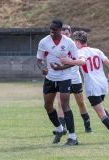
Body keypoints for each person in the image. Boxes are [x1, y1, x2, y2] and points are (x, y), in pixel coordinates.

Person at [59, 30, 109, 143]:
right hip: (103, 83)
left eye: (75, 41)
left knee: (100, 112)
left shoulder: (80, 52)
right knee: (101, 109)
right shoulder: (96, 50)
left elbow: (82, 62)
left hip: (92, 85)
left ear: (78, 42)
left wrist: (67, 61)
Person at [36, 18, 79, 146]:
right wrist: (42, 68)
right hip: (50, 78)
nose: (51, 31)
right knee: (47, 106)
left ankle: (73, 137)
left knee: (65, 104)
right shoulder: (44, 42)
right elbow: (39, 59)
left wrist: (61, 67)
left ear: (60, 30)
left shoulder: (68, 43)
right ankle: (60, 129)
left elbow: (74, 61)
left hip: (64, 77)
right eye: (50, 28)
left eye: (54, 29)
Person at [51, 24, 93, 135]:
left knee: (81, 103)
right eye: (62, 33)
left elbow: (80, 60)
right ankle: (61, 128)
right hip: (63, 79)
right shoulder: (58, 47)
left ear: (70, 34)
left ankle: (87, 126)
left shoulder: (75, 47)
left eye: (66, 33)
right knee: (61, 103)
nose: (64, 35)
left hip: (75, 79)